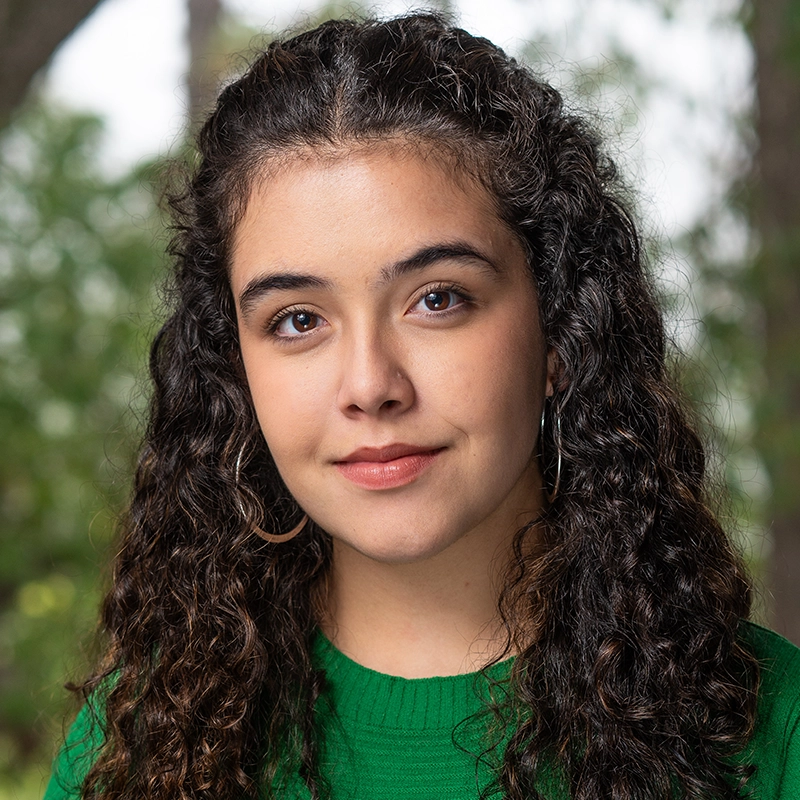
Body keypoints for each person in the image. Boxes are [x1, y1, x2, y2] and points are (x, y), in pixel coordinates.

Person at [44, 12, 800, 800]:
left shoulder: (773, 736)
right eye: (298, 320)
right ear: (236, 366)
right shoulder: (134, 745)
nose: (370, 385)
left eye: (437, 300)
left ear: (560, 331)